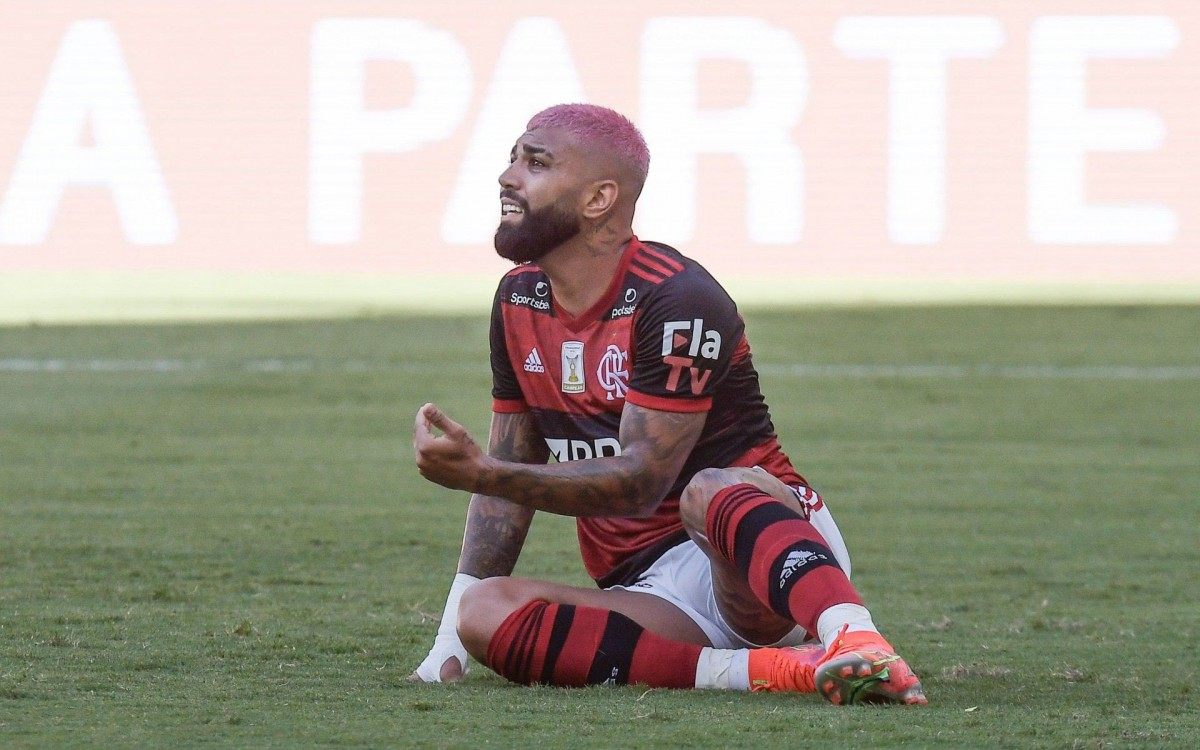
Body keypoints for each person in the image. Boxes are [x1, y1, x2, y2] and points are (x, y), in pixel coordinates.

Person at [410, 103, 926, 705]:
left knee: (706, 488)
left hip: (760, 555)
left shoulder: (677, 296)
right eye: (512, 158)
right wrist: (449, 640)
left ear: (599, 198)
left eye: (536, 162)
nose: (508, 176)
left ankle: (856, 639)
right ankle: (785, 672)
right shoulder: (518, 300)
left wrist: (486, 473)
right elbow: (504, 485)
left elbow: (642, 483)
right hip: (650, 589)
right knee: (485, 613)